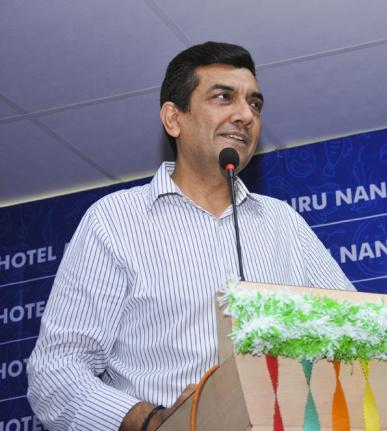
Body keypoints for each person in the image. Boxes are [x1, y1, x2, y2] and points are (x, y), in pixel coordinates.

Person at [27, 41, 354, 431]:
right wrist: (153, 421)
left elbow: (359, 334)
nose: (245, 115)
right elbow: (56, 372)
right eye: (223, 97)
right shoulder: (114, 221)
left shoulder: (284, 223)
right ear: (173, 119)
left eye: (254, 103)